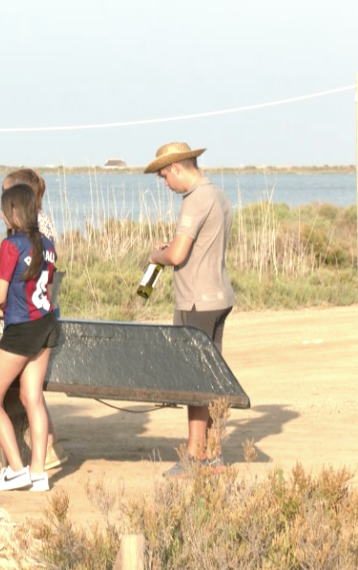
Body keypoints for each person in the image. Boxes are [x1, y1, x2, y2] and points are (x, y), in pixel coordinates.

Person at [143, 142, 235, 478]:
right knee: (210, 380)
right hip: (218, 295)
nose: (166, 183)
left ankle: (195, 457)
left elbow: (179, 255)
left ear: (179, 167)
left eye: (165, 175)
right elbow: (200, 248)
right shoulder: (218, 195)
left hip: (196, 301)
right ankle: (212, 454)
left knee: (194, 381)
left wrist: (157, 256)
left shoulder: (195, 199)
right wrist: (173, 249)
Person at [0, 184, 60, 492]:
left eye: (3, 209)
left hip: (23, 328)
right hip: (46, 321)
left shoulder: (10, 246)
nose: (1, 214)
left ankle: (16, 469)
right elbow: (48, 289)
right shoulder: (47, 243)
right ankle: (39, 472)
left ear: (13, 213)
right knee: (33, 397)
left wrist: (1, 307)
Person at [0, 169, 66, 470]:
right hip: (44, 312)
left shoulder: (23, 236)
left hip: (27, 316)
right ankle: (41, 462)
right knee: (32, 394)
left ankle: (40, 453)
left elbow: (25, 277)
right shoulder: (43, 232)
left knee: (1, 397)